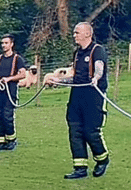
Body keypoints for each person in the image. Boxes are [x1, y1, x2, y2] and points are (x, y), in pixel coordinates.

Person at [47, 22, 110, 179]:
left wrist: (96, 78)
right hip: (77, 96)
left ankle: (102, 159)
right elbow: (74, 74)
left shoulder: (98, 50)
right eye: (74, 32)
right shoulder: (77, 53)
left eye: (77, 32)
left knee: (91, 132)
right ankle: (80, 168)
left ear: (87, 34)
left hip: (93, 96)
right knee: (75, 131)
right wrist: (57, 81)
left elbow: (99, 67)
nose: (74, 35)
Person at [0, 34, 27, 151]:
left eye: (6, 43)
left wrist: (9, 79)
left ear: (11, 44)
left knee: (7, 115)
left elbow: (23, 74)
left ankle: (11, 140)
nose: (3, 45)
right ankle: (1, 141)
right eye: (2, 43)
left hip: (10, 90)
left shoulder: (17, 59)